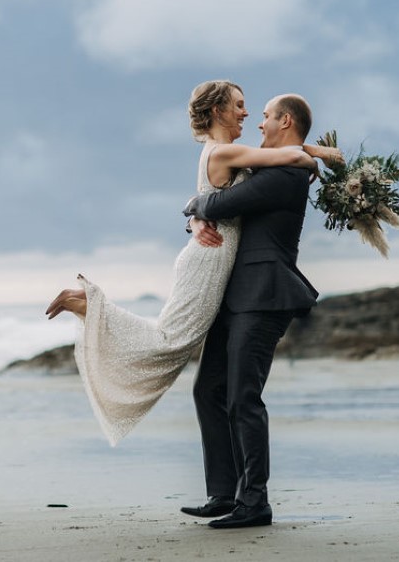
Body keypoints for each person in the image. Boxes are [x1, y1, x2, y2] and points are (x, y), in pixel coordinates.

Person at [45, 82, 340, 448]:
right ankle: (91, 303)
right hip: (210, 259)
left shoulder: (229, 152)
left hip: (217, 259)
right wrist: (314, 155)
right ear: (218, 111)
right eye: (240, 106)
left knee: (174, 342)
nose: (248, 115)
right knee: (171, 341)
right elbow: (289, 161)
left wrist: (194, 213)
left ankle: (92, 306)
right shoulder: (224, 152)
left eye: (256, 111)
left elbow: (216, 195)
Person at [179, 93, 319, 529]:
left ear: (286, 121)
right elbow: (220, 195)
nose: (258, 123)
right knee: (208, 390)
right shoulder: (273, 165)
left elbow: (220, 203)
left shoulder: (288, 176)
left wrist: (195, 208)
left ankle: (254, 501)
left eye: (265, 117)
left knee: (243, 396)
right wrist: (194, 216)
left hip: (264, 295)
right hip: (236, 296)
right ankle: (223, 492)